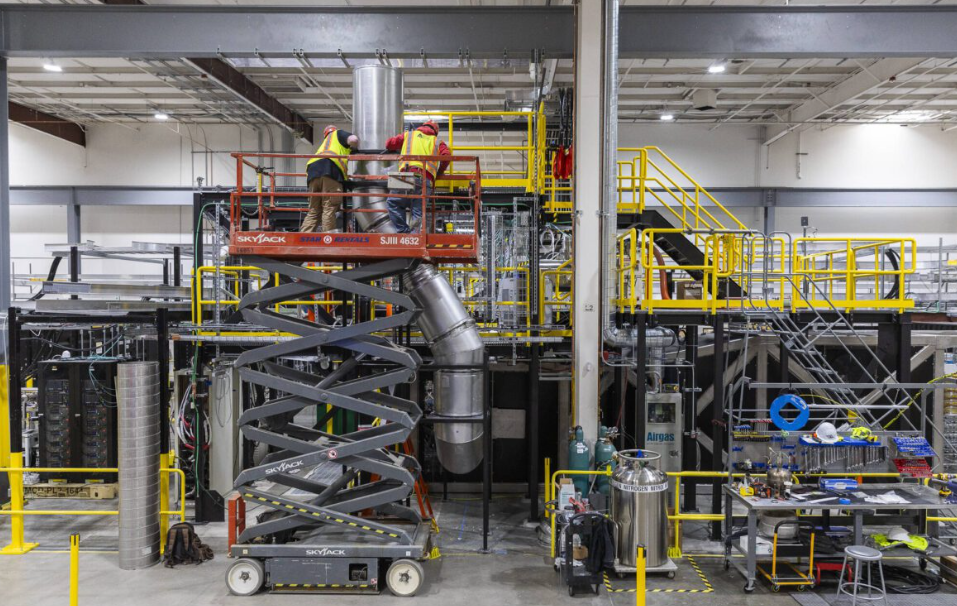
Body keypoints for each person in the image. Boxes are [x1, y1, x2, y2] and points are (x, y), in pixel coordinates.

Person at [384, 120, 450, 233]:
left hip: (406, 175)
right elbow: (447, 156)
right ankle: (414, 238)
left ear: (422, 126)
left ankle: (403, 232)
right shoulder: (438, 141)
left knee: (394, 203)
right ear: (435, 131)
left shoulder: (409, 135)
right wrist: (438, 173)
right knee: (418, 211)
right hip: (425, 179)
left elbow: (389, 144)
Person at [301, 125, 359, 232]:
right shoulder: (338, 133)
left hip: (312, 172)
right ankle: (328, 241)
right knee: (329, 208)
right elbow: (353, 139)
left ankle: (302, 238)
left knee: (314, 211)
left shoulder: (323, 146)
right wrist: (354, 148)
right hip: (330, 170)